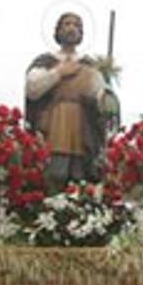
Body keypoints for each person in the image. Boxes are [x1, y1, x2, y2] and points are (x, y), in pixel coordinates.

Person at [25, 12, 110, 192]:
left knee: (80, 172)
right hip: (54, 122)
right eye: (67, 24)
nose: (72, 28)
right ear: (58, 31)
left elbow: (102, 101)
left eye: (76, 25)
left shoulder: (90, 66)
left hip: (82, 126)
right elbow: (32, 89)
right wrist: (59, 72)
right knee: (54, 170)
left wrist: (103, 100)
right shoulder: (46, 61)